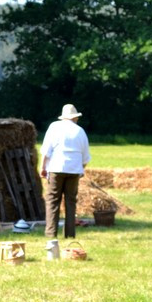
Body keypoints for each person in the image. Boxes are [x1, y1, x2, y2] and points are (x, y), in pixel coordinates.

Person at [40, 103, 91, 241]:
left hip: (56, 168)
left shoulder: (54, 127)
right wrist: (81, 169)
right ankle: (70, 234)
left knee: (52, 201)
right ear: (74, 117)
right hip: (74, 170)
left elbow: (46, 151)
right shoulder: (80, 131)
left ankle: (51, 234)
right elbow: (85, 157)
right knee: (70, 202)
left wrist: (43, 167)